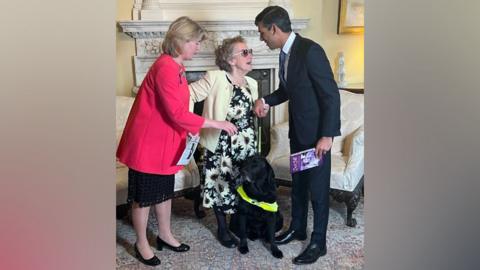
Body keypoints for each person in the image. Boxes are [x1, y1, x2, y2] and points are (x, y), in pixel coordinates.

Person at [116, 16, 237, 266]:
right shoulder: (165, 68)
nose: (198, 47)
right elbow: (176, 113)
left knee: (163, 193)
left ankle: (165, 235)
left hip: (165, 144)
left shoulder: (176, 66)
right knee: (144, 196)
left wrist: (189, 130)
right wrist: (217, 123)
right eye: (195, 42)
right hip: (147, 146)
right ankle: (141, 243)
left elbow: (180, 106)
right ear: (181, 41)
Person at [253, 6, 341, 265]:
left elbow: (330, 95)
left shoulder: (310, 51)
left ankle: (319, 241)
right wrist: (266, 100)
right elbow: (287, 90)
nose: (261, 39)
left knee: (318, 190)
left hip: (316, 138)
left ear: (274, 29)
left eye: (261, 33)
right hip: (298, 134)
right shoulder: (285, 53)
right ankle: (298, 228)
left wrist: (327, 135)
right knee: (300, 185)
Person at [188, 36, 258, 248]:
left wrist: (259, 110)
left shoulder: (252, 83)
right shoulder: (216, 77)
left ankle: (238, 223)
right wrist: (197, 125)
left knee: (242, 184)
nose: (250, 56)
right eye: (244, 52)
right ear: (230, 59)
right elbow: (187, 95)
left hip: (245, 144)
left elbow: (249, 112)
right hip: (221, 144)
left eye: (250, 51)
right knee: (221, 184)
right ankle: (222, 227)